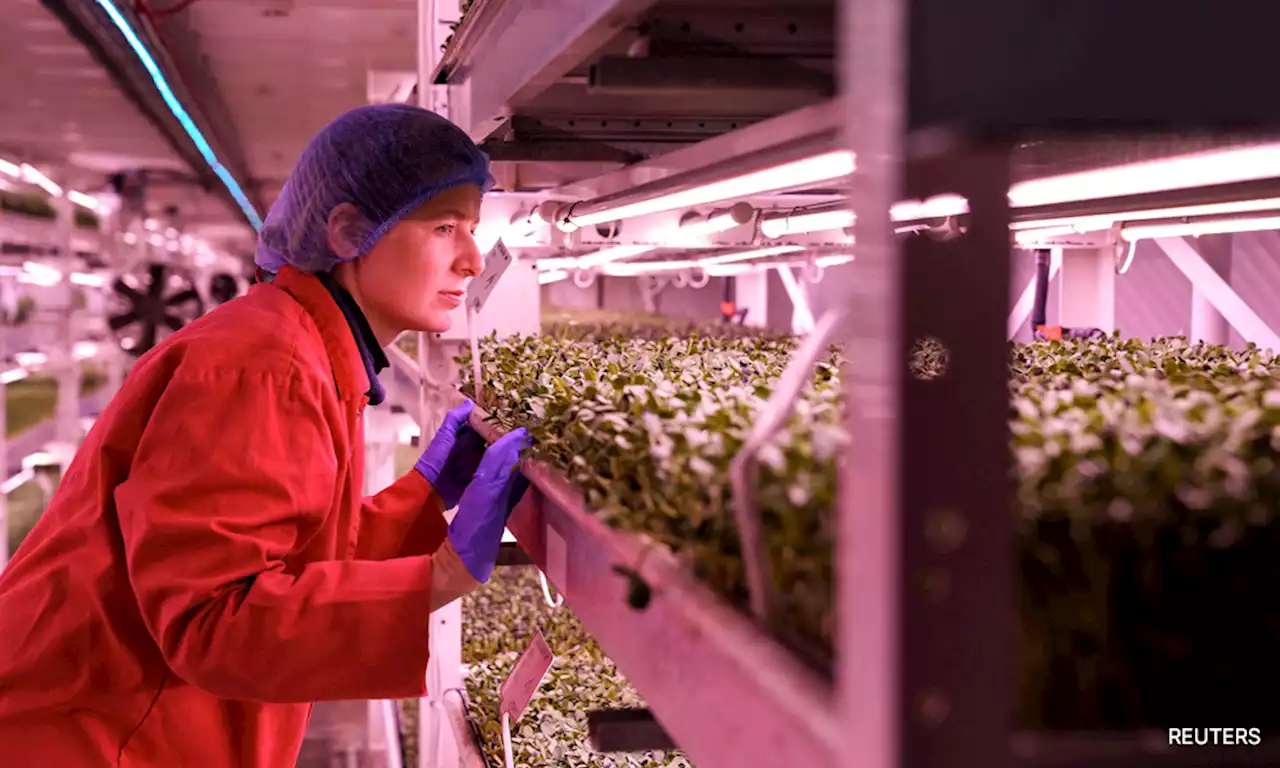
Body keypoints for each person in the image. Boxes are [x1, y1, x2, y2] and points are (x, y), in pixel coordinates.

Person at [0, 104, 529, 766]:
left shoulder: (300, 348)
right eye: (445, 227)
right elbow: (212, 622)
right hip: (95, 741)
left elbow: (287, 555)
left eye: (473, 230)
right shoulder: (265, 366)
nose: (473, 260)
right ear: (347, 231)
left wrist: (422, 496)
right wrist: (440, 576)